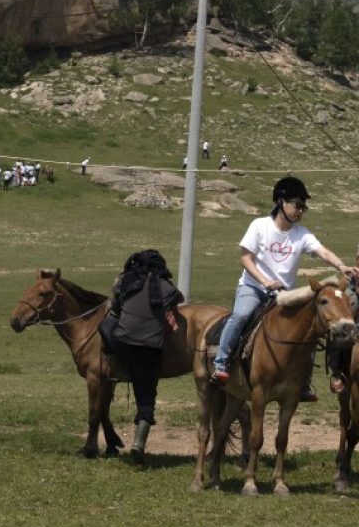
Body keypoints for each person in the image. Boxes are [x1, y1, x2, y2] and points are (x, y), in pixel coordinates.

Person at [211, 177, 356, 401]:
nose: (301, 211)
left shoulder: (302, 234)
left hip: (284, 294)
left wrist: (341, 266)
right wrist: (264, 281)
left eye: (304, 207)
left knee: (308, 329)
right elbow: (245, 259)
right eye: (297, 205)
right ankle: (221, 363)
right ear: (281, 202)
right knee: (240, 315)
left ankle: (303, 384)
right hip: (253, 287)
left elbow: (323, 252)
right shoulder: (259, 226)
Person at [107, 249, 183, 462]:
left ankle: (117, 368)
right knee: (147, 393)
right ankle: (139, 444)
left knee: (108, 328)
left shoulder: (126, 280)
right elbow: (179, 298)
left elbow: (115, 308)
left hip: (121, 342)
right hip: (149, 348)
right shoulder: (166, 287)